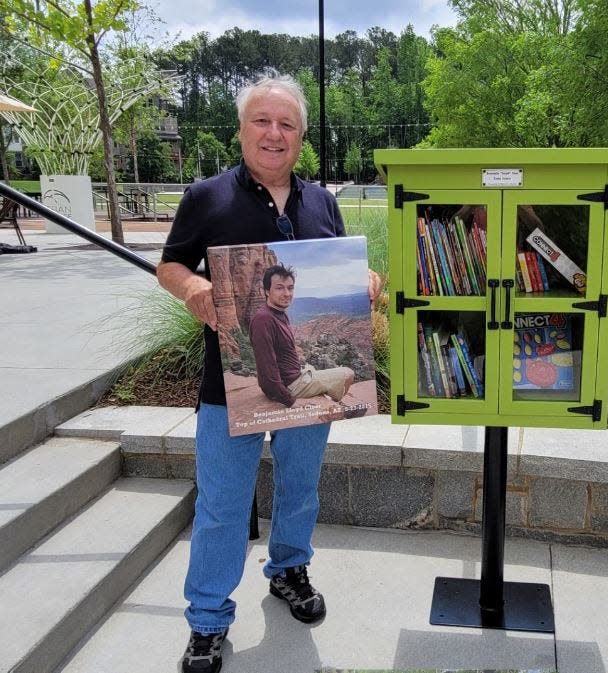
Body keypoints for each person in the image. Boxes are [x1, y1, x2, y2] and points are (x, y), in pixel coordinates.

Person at [157, 72, 382, 673]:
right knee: (223, 504)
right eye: (262, 121)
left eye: (287, 125)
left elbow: (345, 267)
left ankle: (288, 568)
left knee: (300, 488)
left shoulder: (321, 202)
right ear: (241, 129)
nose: (274, 134)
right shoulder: (207, 197)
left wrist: (369, 284)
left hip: (300, 388)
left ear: (301, 137)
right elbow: (170, 265)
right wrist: (195, 288)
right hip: (225, 391)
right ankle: (207, 620)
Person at [250, 263, 354, 407]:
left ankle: (330, 402)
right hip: (291, 386)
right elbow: (267, 371)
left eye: (290, 288)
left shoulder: (278, 312)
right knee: (348, 373)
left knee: (311, 366)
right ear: (267, 291)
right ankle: (335, 406)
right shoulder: (264, 320)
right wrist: (291, 402)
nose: (287, 293)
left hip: (294, 376)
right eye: (280, 288)